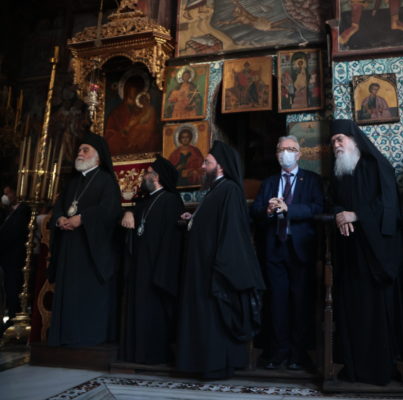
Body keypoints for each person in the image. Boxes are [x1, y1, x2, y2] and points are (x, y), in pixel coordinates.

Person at [177, 140, 265, 378]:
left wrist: (222, 267)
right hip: (202, 268)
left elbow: (232, 232)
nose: (202, 166)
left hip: (215, 269)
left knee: (214, 319)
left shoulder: (230, 190)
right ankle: (200, 364)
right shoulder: (215, 190)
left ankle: (215, 366)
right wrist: (193, 220)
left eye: (207, 162)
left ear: (221, 166)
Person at [329, 119, 403, 385]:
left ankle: (379, 370)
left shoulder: (377, 165)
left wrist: (357, 215)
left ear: (354, 139)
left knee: (376, 311)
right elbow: (333, 201)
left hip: (376, 254)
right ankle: (354, 368)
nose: (336, 145)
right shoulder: (340, 171)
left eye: (340, 139)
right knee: (352, 310)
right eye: (332, 141)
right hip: (350, 252)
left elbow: (388, 205)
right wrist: (340, 213)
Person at [250, 135, 324, 370]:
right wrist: (268, 210)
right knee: (277, 302)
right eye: (282, 149)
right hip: (275, 249)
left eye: (291, 149)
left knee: (301, 303)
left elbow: (317, 208)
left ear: (299, 154)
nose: (286, 153)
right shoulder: (269, 182)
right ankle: (278, 352)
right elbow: (255, 211)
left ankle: (298, 355)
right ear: (276, 154)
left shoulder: (312, 180)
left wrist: (289, 209)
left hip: (301, 249)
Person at [48, 132, 121, 346]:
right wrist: (60, 218)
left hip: (91, 251)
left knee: (87, 294)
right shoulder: (72, 183)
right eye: (79, 150)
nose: (79, 153)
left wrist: (82, 218)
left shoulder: (106, 181)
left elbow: (110, 211)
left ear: (97, 157)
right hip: (69, 248)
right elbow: (59, 207)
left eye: (85, 150)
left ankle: (88, 337)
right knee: (69, 292)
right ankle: (66, 337)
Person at [120, 156, 184, 364]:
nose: (144, 176)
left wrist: (160, 271)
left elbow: (173, 241)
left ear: (156, 177)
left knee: (155, 313)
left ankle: (154, 356)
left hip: (158, 270)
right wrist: (129, 212)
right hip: (140, 267)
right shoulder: (146, 201)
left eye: (147, 172)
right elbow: (136, 218)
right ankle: (136, 354)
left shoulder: (171, 201)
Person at [104, 75, 159, 155]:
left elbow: (152, 133)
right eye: (130, 97)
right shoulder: (116, 114)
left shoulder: (148, 110)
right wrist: (125, 132)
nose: (132, 101)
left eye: (135, 97)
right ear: (125, 96)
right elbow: (109, 137)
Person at [0, 185, 30, 320]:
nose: (6, 197)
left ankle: (14, 316)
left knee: (14, 288)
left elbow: (14, 233)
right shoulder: (10, 211)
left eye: (8, 193)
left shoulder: (24, 210)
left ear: (15, 192)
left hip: (15, 257)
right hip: (7, 257)